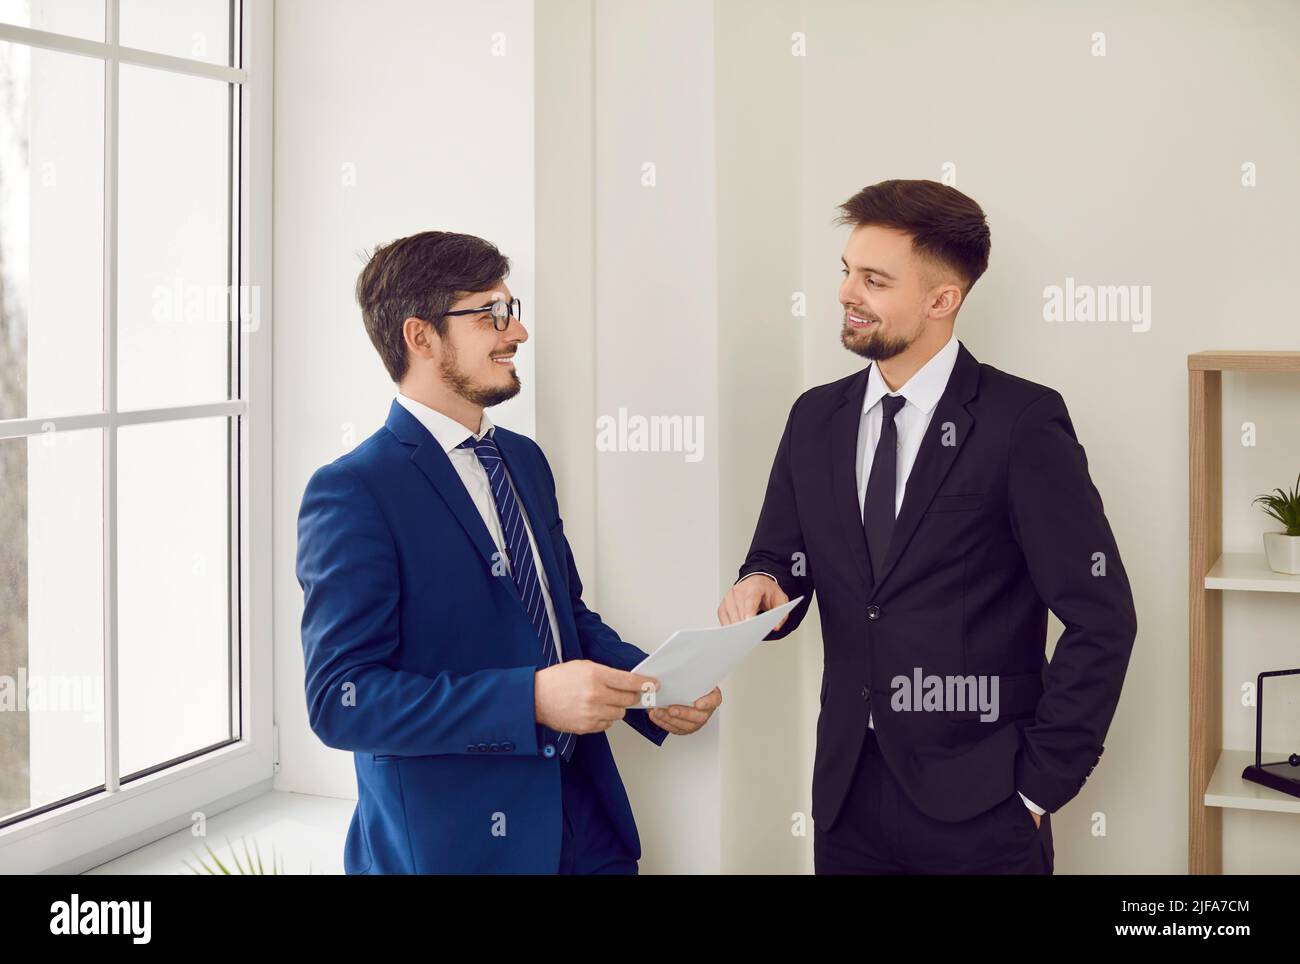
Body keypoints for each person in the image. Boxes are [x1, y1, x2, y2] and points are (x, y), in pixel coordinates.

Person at [718, 180, 1137, 874]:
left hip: (985, 806)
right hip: (847, 798)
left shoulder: (1021, 423)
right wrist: (762, 582)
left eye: (875, 280)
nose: (847, 293)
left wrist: (1038, 787)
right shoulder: (813, 419)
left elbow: (1103, 616)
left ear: (943, 300)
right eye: (846, 271)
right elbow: (781, 556)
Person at [297, 230, 721, 874]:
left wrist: (652, 689)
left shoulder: (522, 460)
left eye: (511, 310)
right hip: (458, 846)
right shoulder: (354, 491)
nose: (515, 333)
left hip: (586, 819)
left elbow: (563, 618)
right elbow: (342, 698)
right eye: (489, 314)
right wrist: (529, 702)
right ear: (421, 336)